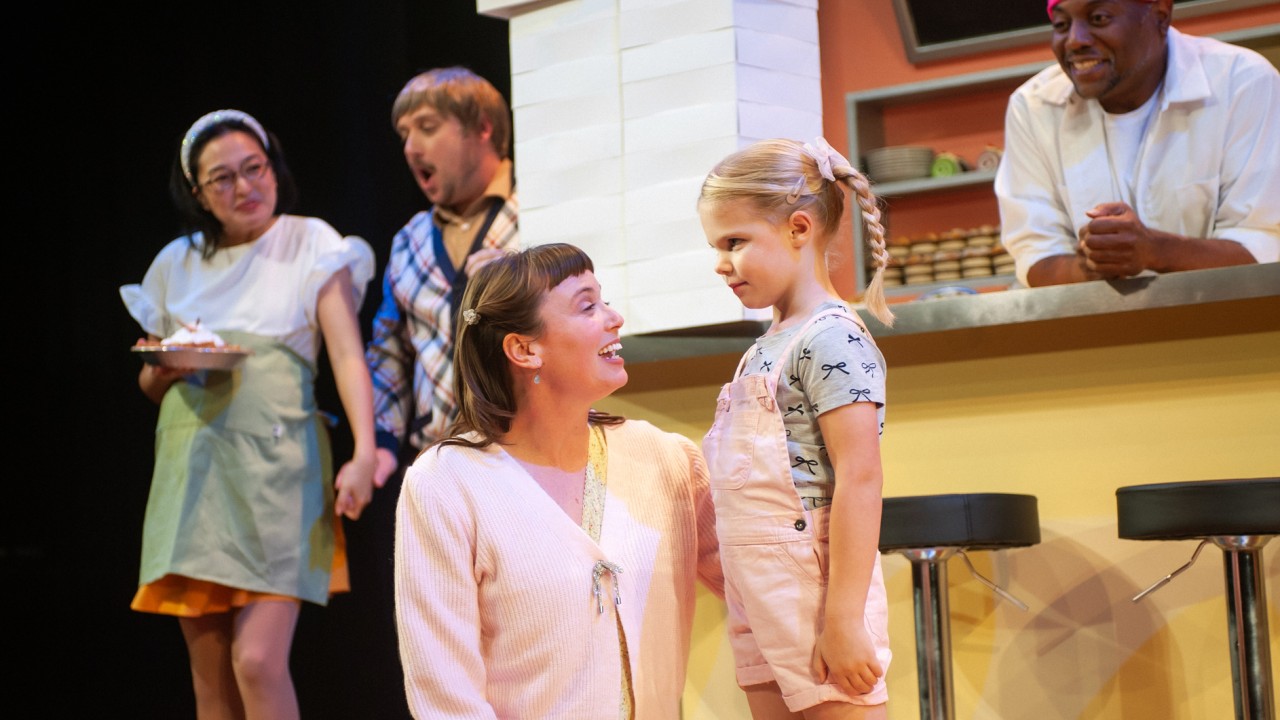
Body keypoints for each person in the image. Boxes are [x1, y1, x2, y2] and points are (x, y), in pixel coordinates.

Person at [120, 108, 378, 720]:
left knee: (257, 662)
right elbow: (150, 383)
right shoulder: (176, 264)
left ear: (274, 167)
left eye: (254, 169)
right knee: (210, 677)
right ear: (199, 194)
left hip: (277, 466)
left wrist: (364, 452)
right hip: (193, 473)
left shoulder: (310, 242)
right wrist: (166, 367)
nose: (244, 188)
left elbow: (345, 354)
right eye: (223, 179)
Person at [393, 243, 723, 719]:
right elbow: (446, 698)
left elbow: (761, 586)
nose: (614, 318)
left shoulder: (665, 458)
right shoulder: (445, 485)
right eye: (587, 305)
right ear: (524, 349)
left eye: (604, 300)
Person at [697, 137, 894, 719]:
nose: (720, 262)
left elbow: (860, 478)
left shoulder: (832, 336)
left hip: (813, 589)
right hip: (756, 592)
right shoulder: (767, 342)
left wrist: (843, 620)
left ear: (799, 229)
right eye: (715, 246)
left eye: (735, 242)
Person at [995, 0, 1280, 287]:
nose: (1075, 41)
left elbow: (1266, 247)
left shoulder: (1242, 83)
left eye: (1098, 18)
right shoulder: (1034, 106)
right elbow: (1036, 257)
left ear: (1160, 15)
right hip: (1098, 328)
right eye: (1061, 24)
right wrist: (1097, 264)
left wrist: (1155, 251)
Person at [367, 66, 519, 489]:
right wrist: (382, 441)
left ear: (483, 128)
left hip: (528, 458)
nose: (412, 147)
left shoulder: (532, 214)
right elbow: (389, 349)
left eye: (428, 128)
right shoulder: (410, 241)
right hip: (440, 464)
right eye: (404, 135)